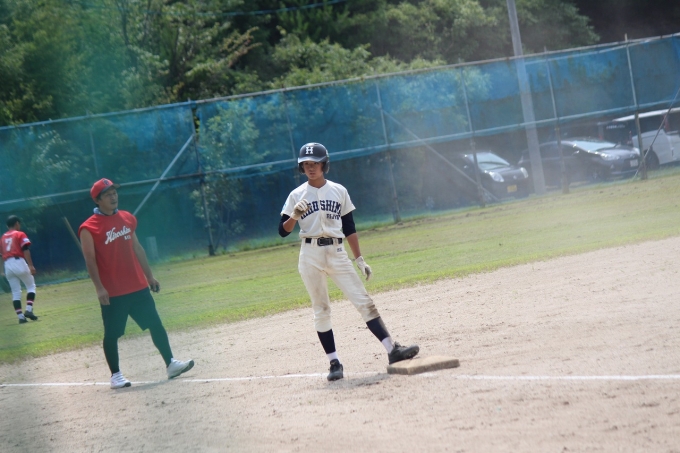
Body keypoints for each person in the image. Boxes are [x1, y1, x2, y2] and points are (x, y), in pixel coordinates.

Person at [279, 142, 419, 381]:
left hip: (337, 252)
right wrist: (294, 216)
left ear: (324, 165)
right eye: (306, 164)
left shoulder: (338, 191)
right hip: (310, 255)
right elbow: (283, 231)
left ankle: (392, 350)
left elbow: (349, 227)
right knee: (321, 309)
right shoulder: (296, 195)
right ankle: (334, 363)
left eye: (315, 163)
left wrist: (359, 258)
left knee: (364, 301)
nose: (310, 168)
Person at [79, 178, 195, 389]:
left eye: (114, 192)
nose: (113, 196)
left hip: (137, 286)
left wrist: (149, 276)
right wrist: (99, 288)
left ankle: (170, 363)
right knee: (112, 334)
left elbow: (138, 248)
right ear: (97, 200)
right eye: (108, 194)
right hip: (113, 292)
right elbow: (90, 260)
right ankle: (116, 376)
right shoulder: (88, 228)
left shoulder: (127, 218)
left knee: (155, 324)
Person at [1, 215, 39, 324]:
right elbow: (25, 249)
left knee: (15, 292)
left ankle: (21, 317)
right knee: (31, 286)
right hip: (18, 262)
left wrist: (1, 271)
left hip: (7, 265)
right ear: (17, 223)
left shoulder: (2, 238)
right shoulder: (19, 234)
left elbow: (0, 255)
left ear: (7, 226)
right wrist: (31, 265)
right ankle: (28, 310)